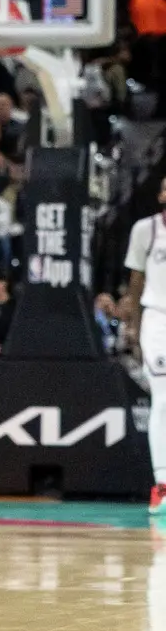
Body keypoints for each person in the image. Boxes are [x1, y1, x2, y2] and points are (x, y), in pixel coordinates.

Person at [124, 178, 166, 518]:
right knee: (163, 399)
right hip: (158, 320)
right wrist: (134, 327)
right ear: (161, 195)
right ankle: (162, 485)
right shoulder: (146, 230)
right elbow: (135, 284)